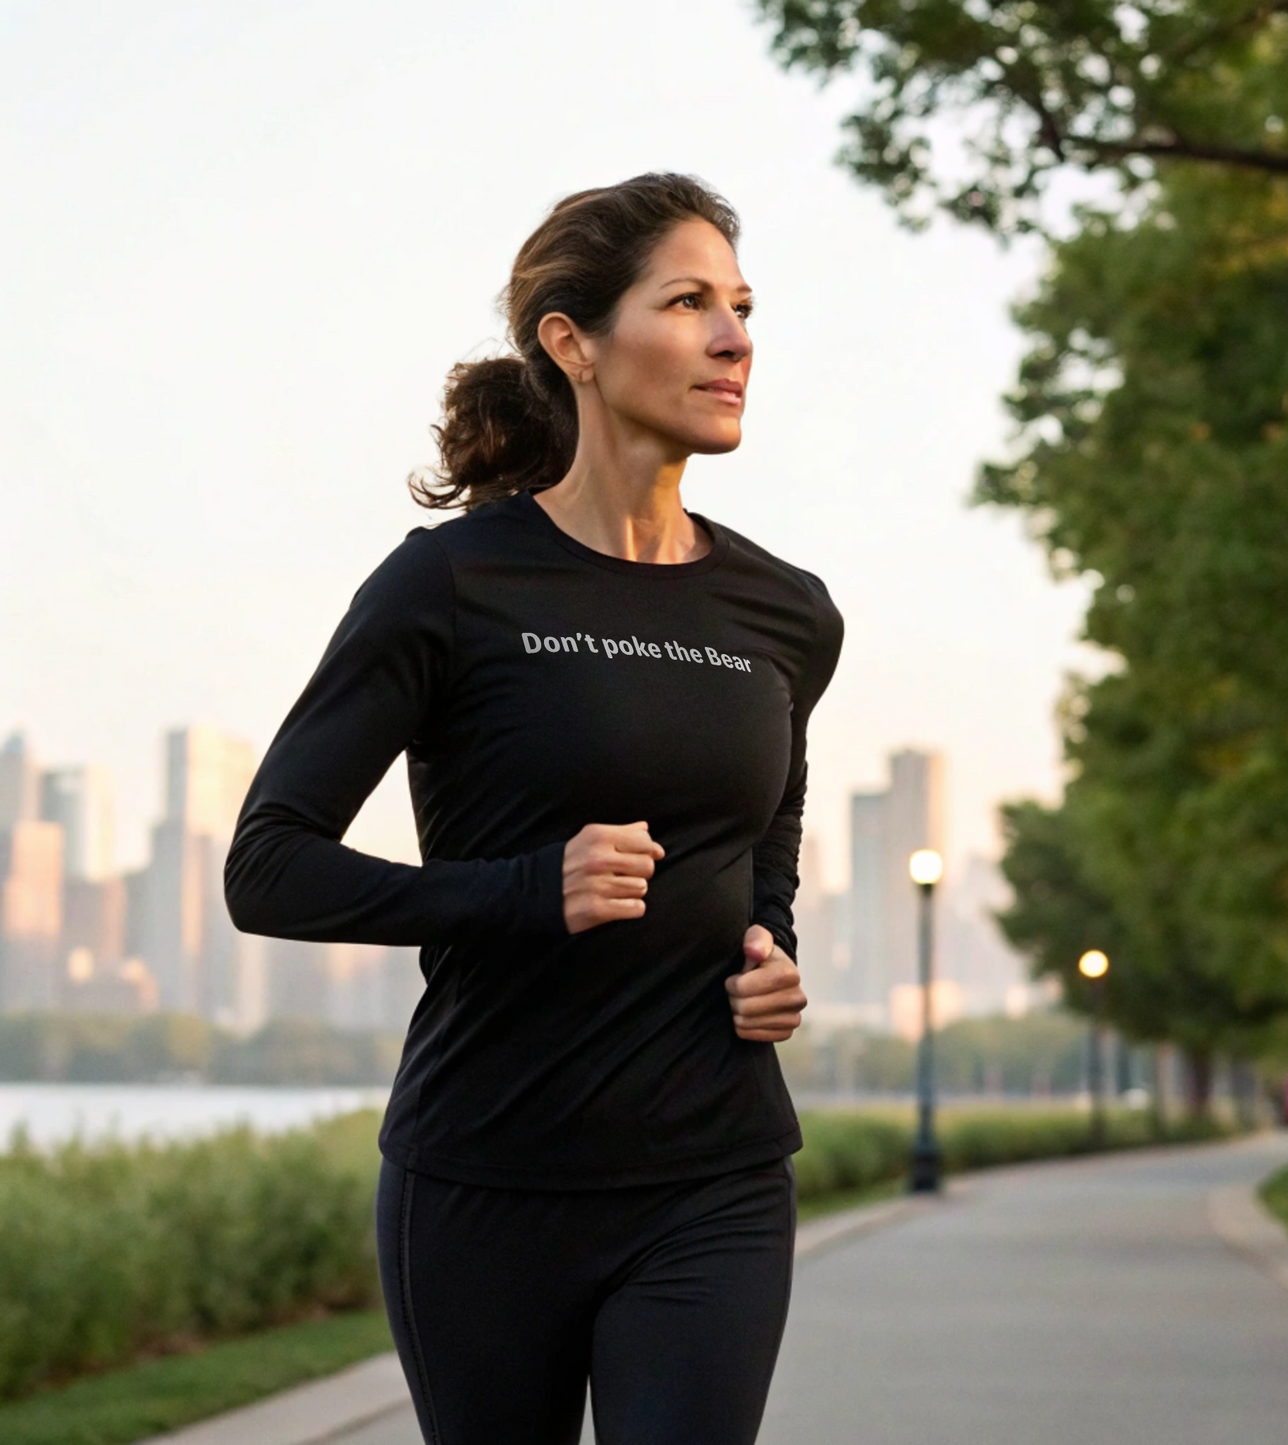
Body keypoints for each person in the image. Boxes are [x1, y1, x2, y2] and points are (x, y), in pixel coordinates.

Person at [223, 171, 844, 1445]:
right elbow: (267, 866)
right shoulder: (450, 584)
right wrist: (521, 889)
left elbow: (760, 832)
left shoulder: (786, 612)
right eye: (687, 302)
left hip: (712, 1176)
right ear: (572, 341)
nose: (734, 339)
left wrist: (770, 946)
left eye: (741, 306)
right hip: (485, 1180)